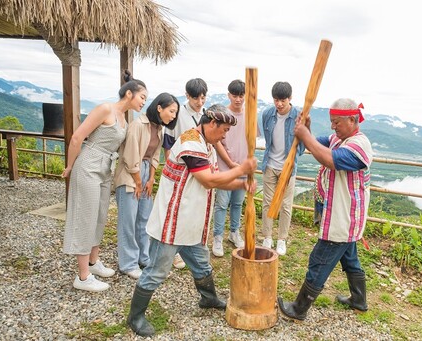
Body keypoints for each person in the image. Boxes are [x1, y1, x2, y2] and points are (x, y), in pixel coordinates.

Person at [127, 104, 257, 337]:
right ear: (212, 124)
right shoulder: (190, 142)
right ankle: (135, 316)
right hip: (172, 219)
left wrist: (242, 184)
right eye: (224, 130)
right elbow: (207, 180)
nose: (225, 135)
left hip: (192, 219)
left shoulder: (208, 146)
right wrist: (241, 170)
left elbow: (216, 179)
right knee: (157, 270)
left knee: (201, 263)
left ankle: (208, 299)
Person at [278, 98, 373, 320]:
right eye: (331, 122)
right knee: (350, 258)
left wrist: (304, 133)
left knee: (319, 260)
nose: (332, 126)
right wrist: (307, 130)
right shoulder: (340, 139)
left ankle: (299, 309)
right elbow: (316, 145)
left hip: (343, 216)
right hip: (347, 216)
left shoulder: (358, 145)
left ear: (352, 120)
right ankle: (359, 300)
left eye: (336, 122)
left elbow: (328, 159)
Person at [62, 70, 147, 292]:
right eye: (142, 97)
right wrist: (70, 166)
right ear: (129, 94)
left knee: (99, 216)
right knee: (85, 216)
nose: (143, 102)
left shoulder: (125, 119)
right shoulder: (105, 109)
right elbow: (77, 137)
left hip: (105, 169)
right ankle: (82, 277)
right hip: (89, 164)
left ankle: (93, 261)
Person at [113, 93, 179, 279]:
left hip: (144, 173)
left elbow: (155, 156)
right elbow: (130, 156)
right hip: (129, 175)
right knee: (128, 221)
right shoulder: (138, 125)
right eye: (171, 111)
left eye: (175, 113)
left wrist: (150, 180)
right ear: (160, 108)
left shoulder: (159, 128)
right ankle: (128, 263)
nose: (173, 116)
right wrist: (138, 182)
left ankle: (144, 257)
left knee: (144, 219)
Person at [162, 78, 209, 269]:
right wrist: (170, 168)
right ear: (187, 95)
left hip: (199, 169)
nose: (200, 102)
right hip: (181, 169)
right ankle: (175, 253)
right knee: (177, 210)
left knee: (194, 209)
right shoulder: (178, 114)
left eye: (203, 97)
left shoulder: (206, 114)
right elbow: (168, 142)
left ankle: (191, 247)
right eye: (196, 97)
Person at [260, 81, 305, 255]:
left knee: (286, 205)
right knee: (267, 203)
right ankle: (267, 237)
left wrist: (292, 159)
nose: (279, 104)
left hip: (289, 167)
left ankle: (282, 240)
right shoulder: (267, 114)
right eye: (276, 100)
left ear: (290, 98)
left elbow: (302, 145)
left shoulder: (298, 116)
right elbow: (268, 140)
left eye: (283, 100)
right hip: (270, 164)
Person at [211, 79, 247, 257]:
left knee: (238, 203)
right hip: (226, 167)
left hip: (243, 168)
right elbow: (217, 142)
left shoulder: (249, 115)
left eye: (241, 96)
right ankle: (217, 237)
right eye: (234, 96)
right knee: (222, 204)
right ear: (228, 95)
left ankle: (234, 233)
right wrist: (231, 163)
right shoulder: (223, 114)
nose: (238, 99)